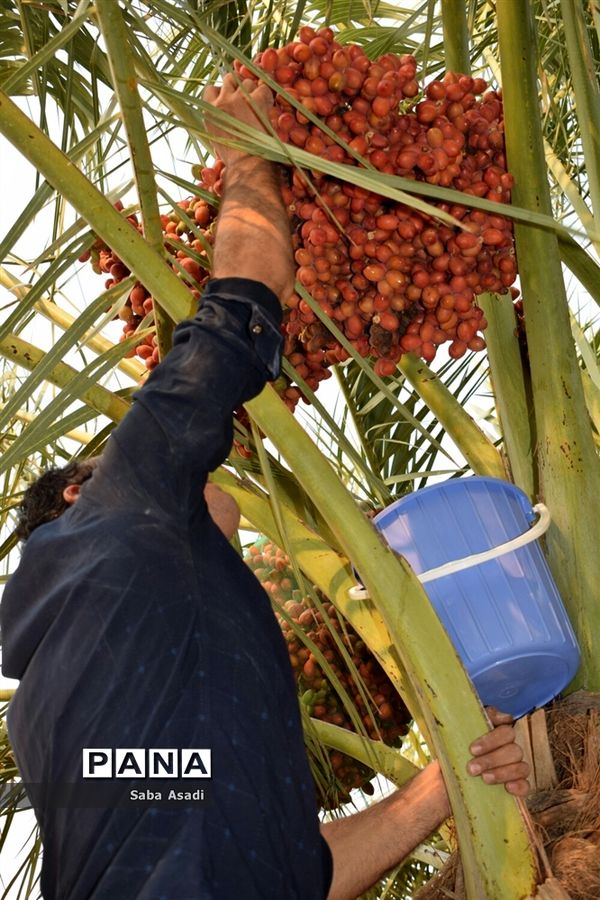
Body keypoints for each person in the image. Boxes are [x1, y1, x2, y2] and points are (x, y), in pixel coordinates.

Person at [1, 75, 529, 900]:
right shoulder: (107, 530)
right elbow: (232, 323)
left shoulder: (69, 698)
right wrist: (247, 159)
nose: (185, 463)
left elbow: (289, 872)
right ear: (76, 495)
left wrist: (446, 786)